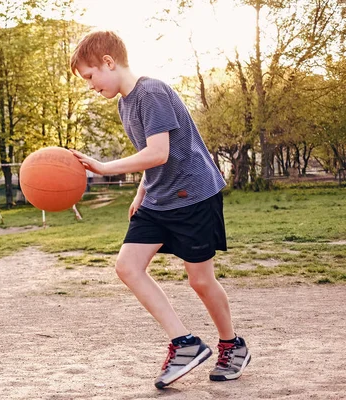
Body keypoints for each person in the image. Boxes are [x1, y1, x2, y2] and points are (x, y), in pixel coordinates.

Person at [69, 31, 250, 389]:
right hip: (158, 199)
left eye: (90, 77)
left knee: (200, 280)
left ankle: (232, 345)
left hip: (193, 195)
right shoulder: (124, 103)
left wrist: (103, 167)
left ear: (108, 62)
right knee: (127, 266)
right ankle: (184, 343)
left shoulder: (151, 92)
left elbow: (159, 152)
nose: (90, 86)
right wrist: (142, 190)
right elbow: (151, 156)